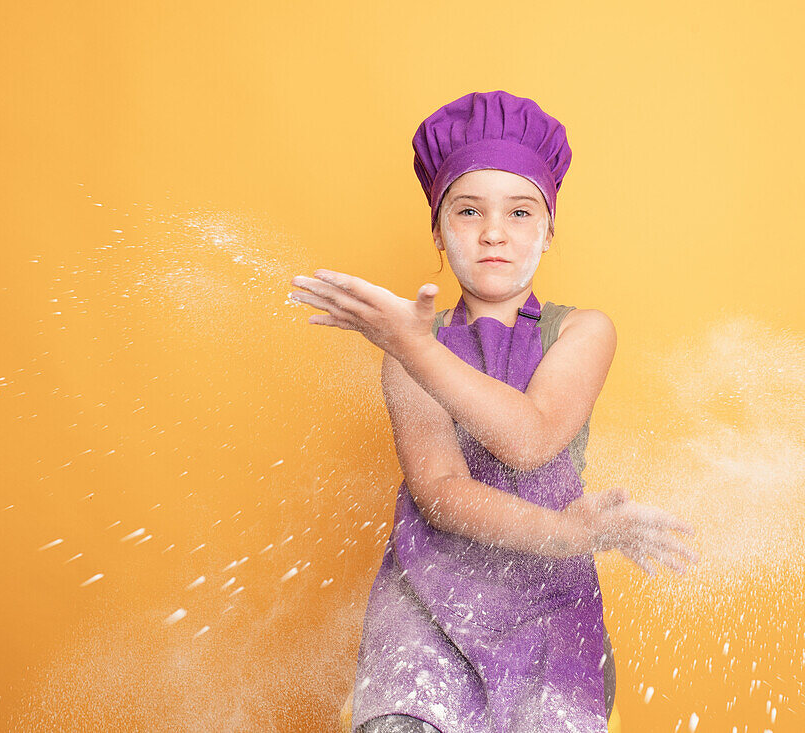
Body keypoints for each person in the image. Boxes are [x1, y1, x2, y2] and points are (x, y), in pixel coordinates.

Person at [290, 90, 698, 733]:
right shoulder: (407, 354)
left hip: (550, 611)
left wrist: (417, 347)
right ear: (436, 227)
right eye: (468, 209)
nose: (493, 232)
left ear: (550, 226)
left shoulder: (582, 332)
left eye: (520, 211)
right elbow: (440, 491)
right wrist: (414, 347)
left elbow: (530, 439)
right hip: (425, 610)